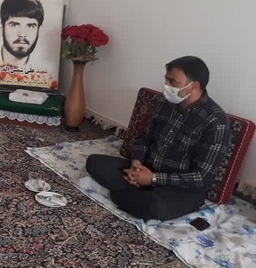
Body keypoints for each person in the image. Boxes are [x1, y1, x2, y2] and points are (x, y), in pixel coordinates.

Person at [86, 56, 230, 221]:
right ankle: (133, 194)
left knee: (155, 207)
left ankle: (123, 194)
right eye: (166, 80)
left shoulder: (216, 121)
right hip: (147, 168)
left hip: (180, 186)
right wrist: (137, 163)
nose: (166, 86)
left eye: (172, 81)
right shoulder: (165, 103)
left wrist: (153, 179)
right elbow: (144, 138)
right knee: (95, 163)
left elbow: (202, 177)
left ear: (194, 86)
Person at [0, 0, 44, 67]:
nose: (22, 34)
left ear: (39, 31)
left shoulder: (43, 68)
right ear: (1, 28)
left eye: (31, 26)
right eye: (14, 25)